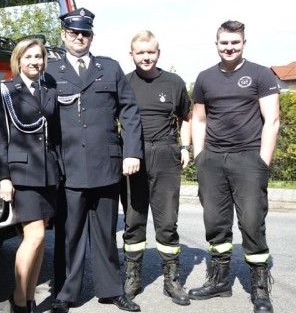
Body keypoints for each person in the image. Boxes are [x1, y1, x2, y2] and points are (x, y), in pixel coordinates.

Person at [49, 7, 143, 313]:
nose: (79, 37)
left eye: (85, 33)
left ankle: (111, 290)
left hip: (106, 164)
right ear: (63, 35)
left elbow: (129, 111)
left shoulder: (110, 68)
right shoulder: (50, 71)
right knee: (69, 233)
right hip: (69, 166)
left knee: (105, 233)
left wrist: (131, 152)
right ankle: (65, 294)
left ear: (92, 36)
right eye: (74, 32)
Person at [188, 20, 280, 313]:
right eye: (224, 43)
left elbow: (272, 121)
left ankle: (261, 290)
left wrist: (262, 162)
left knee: (252, 223)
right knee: (215, 224)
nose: (229, 48)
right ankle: (219, 282)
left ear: (243, 43)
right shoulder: (204, 78)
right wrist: (200, 157)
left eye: (235, 43)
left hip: (248, 159)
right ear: (216, 44)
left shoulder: (261, 74)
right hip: (212, 160)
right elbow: (199, 120)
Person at [120, 30, 192, 306]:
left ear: (158, 53)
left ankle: (172, 281)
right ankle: (132, 277)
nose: (146, 57)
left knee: (167, 223)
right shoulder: (123, 83)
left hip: (165, 154)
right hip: (133, 157)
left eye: (151, 52)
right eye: (141, 52)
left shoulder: (174, 83)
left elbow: (186, 117)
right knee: (133, 222)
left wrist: (184, 148)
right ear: (132, 55)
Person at [0, 38, 62, 313]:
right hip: (22, 174)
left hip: (47, 174)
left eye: (39, 57)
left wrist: (58, 170)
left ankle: (30, 297)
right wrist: (4, 178)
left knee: (41, 238)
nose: (35, 62)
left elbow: (53, 134)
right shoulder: (6, 89)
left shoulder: (48, 88)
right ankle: (18, 300)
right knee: (34, 236)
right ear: (18, 61)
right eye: (29, 57)